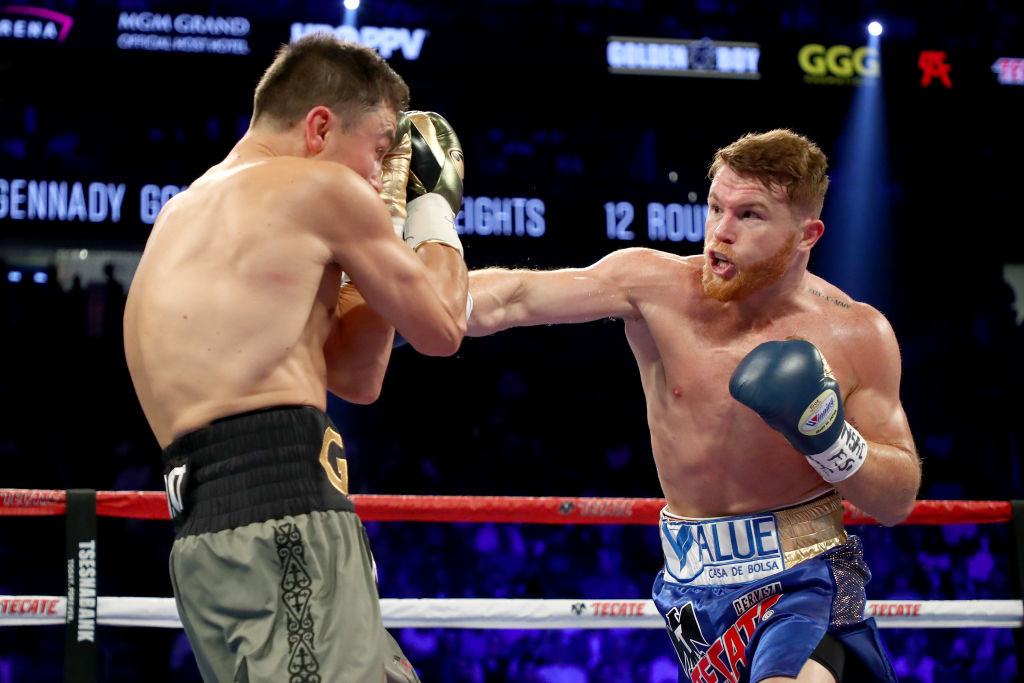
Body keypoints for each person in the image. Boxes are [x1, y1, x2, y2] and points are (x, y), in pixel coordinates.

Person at [466, 129, 920, 682]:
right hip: (692, 586)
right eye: (715, 207)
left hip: (809, 574)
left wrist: (830, 440)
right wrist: (414, 302)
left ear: (807, 234)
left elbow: (897, 499)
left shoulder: (856, 333)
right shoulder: (656, 287)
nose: (720, 231)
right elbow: (515, 296)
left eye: (749, 215)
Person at [123, 34, 469, 682]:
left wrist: (379, 236)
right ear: (319, 128)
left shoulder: (179, 215)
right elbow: (443, 327)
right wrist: (431, 206)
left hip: (203, 540)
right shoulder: (320, 190)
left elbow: (357, 376)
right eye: (379, 149)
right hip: (287, 524)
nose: (381, 174)